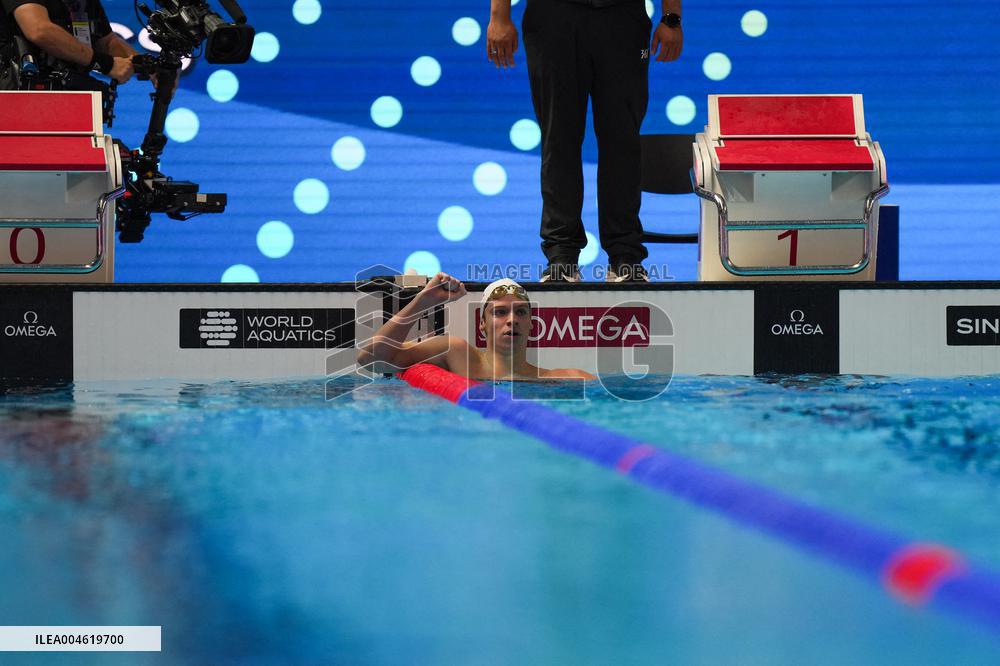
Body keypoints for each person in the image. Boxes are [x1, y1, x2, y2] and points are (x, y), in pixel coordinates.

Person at [487, 0, 683, 283]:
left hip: (622, 19)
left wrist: (672, 17)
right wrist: (499, 16)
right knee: (559, 141)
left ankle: (625, 257)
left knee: (622, 142)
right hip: (552, 16)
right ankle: (561, 258)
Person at [357, 274, 596, 381]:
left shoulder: (564, 379)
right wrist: (423, 302)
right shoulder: (457, 354)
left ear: (532, 325)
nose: (511, 320)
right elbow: (372, 360)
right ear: (482, 325)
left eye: (520, 312)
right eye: (500, 312)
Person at [0, 0, 137, 90]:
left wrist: (147, 65)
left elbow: (107, 42)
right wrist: (104, 64)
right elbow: (39, 31)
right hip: (20, 94)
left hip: (72, 95)